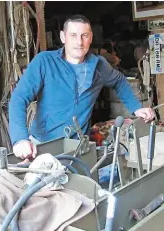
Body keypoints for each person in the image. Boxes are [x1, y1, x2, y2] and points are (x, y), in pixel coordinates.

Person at [8, 14, 156, 160]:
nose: (79, 42)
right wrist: (20, 139)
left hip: (79, 148)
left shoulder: (99, 66)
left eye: (84, 35)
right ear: (62, 37)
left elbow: (119, 81)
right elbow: (18, 99)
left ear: (90, 38)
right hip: (43, 146)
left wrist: (136, 107)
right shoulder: (45, 62)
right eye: (73, 35)